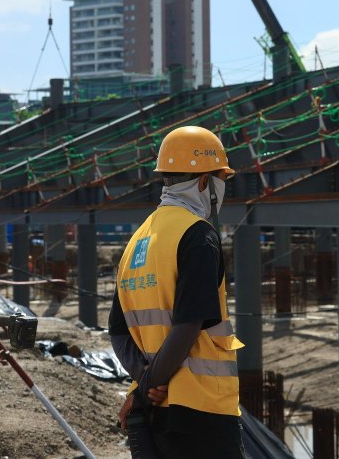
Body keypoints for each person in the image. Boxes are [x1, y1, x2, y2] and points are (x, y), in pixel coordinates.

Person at [109, 125, 246, 458]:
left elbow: (118, 331)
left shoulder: (138, 239)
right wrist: (146, 389)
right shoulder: (199, 236)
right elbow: (188, 326)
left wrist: (144, 381)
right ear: (204, 183)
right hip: (202, 409)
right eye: (220, 180)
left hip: (156, 415)